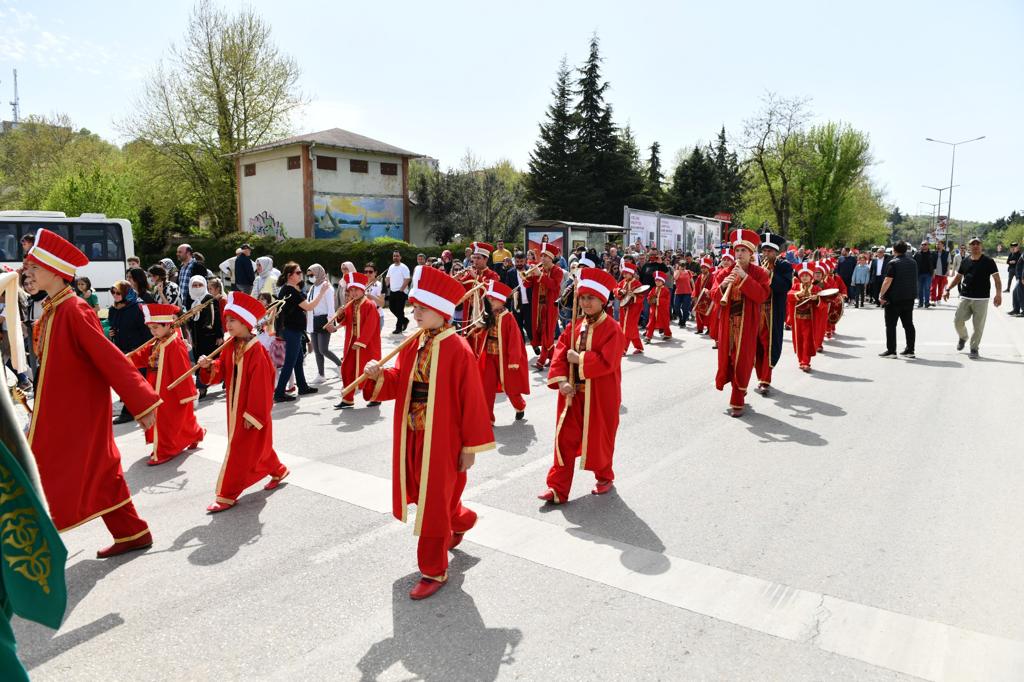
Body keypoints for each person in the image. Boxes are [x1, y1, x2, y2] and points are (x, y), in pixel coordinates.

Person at [23, 228, 159, 558]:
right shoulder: (56, 307)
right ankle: (132, 532)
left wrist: (142, 402)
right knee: (102, 471)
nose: (30, 274)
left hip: (76, 413)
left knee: (44, 470)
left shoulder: (74, 309)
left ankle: (33, 547)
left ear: (55, 271)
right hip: (62, 408)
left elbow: (109, 358)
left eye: (35, 268)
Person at [361, 266, 495, 600]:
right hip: (414, 432)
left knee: (433, 504)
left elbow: (473, 401)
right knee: (427, 494)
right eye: (415, 307)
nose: (415, 312)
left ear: (441, 312)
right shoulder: (413, 343)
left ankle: (433, 570)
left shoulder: (458, 349)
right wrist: (377, 375)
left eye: (422, 308)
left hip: (444, 439)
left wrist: (470, 447)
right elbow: (399, 382)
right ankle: (460, 519)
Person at [538, 267, 625, 505]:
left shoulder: (613, 329)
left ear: (602, 300)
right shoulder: (575, 325)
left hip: (599, 395)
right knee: (564, 439)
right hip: (573, 395)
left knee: (600, 439)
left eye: (591, 298)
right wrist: (563, 381)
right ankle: (557, 488)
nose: (586, 303)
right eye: (583, 298)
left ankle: (604, 477)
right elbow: (560, 352)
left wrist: (581, 359)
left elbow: (609, 362)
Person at [197, 292, 289, 513]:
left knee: (239, 451)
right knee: (260, 448)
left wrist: (253, 415)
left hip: (248, 413)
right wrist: (209, 365)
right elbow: (221, 372)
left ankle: (227, 494)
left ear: (246, 323)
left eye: (232, 320)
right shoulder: (231, 345)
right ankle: (278, 469)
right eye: (226, 319)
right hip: (233, 409)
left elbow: (263, 388)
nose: (226, 324)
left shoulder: (257, 352)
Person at [127, 304, 206, 465]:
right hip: (154, 384)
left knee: (167, 421)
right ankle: (195, 433)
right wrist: (129, 358)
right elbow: (145, 356)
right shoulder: (158, 341)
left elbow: (182, 370)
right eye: (151, 328)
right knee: (175, 420)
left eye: (156, 327)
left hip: (169, 389)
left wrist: (187, 394)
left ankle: (165, 450)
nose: (153, 332)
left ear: (167, 324)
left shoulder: (175, 344)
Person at [713, 230, 770, 417]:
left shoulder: (760, 273)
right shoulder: (723, 272)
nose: (739, 254)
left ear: (751, 253)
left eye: (743, 250)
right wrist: (722, 286)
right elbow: (714, 295)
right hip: (728, 323)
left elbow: (762, 296)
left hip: (747, 323)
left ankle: (737, 400)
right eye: (737, 250)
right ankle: (739, 387)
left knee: (742, 360)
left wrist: (745, 278)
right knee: (728, 359)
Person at [472, 280, 529, 423]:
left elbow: (515, 340)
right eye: (489, 298)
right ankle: (488, 417)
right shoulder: (488, 315)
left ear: (501, 301)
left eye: (493, 299)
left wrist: (514, 360)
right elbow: (481, 328)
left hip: (504, 357)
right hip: (490, 355)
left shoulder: (508, 317)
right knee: (487, 386)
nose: (490, 301)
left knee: (511, 387)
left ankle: (519, 406)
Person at [330, 271, 381, 409]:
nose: (353, 293)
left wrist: (361, 342)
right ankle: (347, 399)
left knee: (368, 370)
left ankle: (375, 396)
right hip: (351, 341)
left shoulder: (369, 305)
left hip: (366, 344)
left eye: (356, 290)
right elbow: (346, 321)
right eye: (351, 290)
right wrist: (340, 315)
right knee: (347, 368)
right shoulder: (350, 305)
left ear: (362, 289)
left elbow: (371, 325)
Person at [943, 237, 1002, 358]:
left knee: (978, 326)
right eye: (972, 244)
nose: (975, 246)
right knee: (957, 320)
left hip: (982, 298)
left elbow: (997, 279)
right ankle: (963, 337)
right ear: (969, 247)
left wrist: (998, 294)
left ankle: (974, 348)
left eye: (977, 244)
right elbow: (958, 277)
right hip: (965, 296)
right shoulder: (965, 261)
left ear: (981, 246)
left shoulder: (988, 261)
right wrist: (948, 289)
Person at [273, 262, 324, 402]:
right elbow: (309, 307)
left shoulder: (290, 289)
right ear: (290, 276)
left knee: (298, 359)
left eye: (301, 272)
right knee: (290, 361)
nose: (301, 274)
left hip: (293, 329)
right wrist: (322, 293)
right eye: (298, 272)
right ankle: (279, 393)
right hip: (292, 330)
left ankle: (302, 386)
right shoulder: (290, 291)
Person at [108, 280, 152, 424]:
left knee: (136, 382)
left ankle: (129, 411)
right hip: (122, 350)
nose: (115, 295)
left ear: (126, 292)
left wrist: (145, 350)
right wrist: (112, 332)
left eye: (118, 292)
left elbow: (147, 330)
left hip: (138, 350)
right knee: (128, 383)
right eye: (113, 292)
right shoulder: (113, 309)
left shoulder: (139, 307)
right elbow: (113, 325)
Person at [754, 231, 793, 395]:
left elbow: (786, 286)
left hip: (773, 313)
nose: (766, 253)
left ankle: (765, 380)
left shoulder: (784, 266)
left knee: (770, 346)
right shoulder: (757, 266)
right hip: (757, 311)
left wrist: (770, 275)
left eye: (769, 251)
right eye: (764, 250)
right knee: (756, 347)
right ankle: (760, 377)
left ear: (776, 252)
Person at [524, 243, 563, 368]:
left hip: (550, 306)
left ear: (551, 258)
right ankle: (553, 357)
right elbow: (527, 286)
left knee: (548, 333)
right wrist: (528, 277)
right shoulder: (538, 270)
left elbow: (554, 285)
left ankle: (541, 360)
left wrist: (540, 275)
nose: (543, 259)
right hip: (538, 307)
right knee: (541, 332)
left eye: (545, 256)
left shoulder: (558, 271)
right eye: (542, 256)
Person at [878, 241, 918, 359]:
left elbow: (887, 280)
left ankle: (891, 351)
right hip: (909, 297)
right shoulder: (913, 262)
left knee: (891, 325)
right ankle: (910, 350)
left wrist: (881, 295)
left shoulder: (893, 263)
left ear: (894, 250)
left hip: (894, 298)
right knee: (908, 324)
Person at [185, 275, 221, 400]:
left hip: (209, 337)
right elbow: (191, 322)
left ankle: (202, 387)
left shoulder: (209, 299)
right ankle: (203, 384)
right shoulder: (193, 301)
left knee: (208, 361)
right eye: (194, 285)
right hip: (197, 339)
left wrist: (219, 335)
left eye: (200, 285)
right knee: (200, 361)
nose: (197, 288)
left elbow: (217, 319)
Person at [305, 263, 339, 384]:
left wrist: (331, 321)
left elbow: (331, 306)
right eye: (308, 275)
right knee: (317, 350)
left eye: (312, 274)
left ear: (318, 273)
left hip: (324, 319)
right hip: (313, 320)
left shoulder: (327, 286)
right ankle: (321, 374)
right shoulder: (313, 287)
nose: (310, 277)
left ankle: (340, 365)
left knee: (323, 349)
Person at [786, 263, 822, 372]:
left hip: (809, 320)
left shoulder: (816, 288)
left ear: (811, 276)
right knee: (799, 340)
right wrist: (798, 294)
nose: (804, 277)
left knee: (807, 340)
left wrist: (816, 298)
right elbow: (789, 295)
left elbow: (823, 303)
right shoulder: (796, 286)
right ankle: (800, 360)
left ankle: (806, 362)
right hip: (797, 319)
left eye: (807, 275)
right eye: (802, 275)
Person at [614, 262, 646, 354]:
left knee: (628, 327)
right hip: (623, 308)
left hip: (634, 309)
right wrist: (620, 291)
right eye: (623, 273)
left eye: (626, 273)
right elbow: (615, 289)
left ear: (631, 273)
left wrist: (633, 297)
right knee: (630, 328)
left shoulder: (637, 283)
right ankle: (639, 347)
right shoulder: (622, 283)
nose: (624, 275)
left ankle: (623, 348)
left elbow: (641, 297)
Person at [176, 244, 209, 309]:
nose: (177, 254)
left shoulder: (198, 266)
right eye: (177, 252)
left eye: (180, 252)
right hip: (182, 305)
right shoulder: (181, 268)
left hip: (194, 305)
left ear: (188, 253)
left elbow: (202, 288)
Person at [386, 251, 412, 334]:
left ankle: (398, 328)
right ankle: (404, 320)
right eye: (394, 256)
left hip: (401, 291)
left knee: (399, 310)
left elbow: (407, 279)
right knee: (391, 308)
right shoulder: (391, 267)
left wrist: (401, 289)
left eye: (397, 256)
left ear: (400, 257)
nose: (395, 257)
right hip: (393, 291)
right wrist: (387, 283)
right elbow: (387, 277)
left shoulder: (404, 267)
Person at [644, 271, 672, 341]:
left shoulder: (666, 290)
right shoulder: (653, 289)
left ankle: (668, 334)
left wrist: (658, 300)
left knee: (665, 322)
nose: (657, 282)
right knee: (651, 322)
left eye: (659, 281)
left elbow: (667, 300)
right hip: (653, 309)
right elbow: (649, 296)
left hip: (662, 310)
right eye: (656, 281)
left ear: (663, 282)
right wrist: (650, 300)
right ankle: (648, 336)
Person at [693, 257, 715, 335]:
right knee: (698, 313)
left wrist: (710, 294)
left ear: (708, 268)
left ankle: (709, 328)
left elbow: (714, 286)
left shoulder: (712, 276)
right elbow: (696, 287)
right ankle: (699, 329)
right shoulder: (699, 276)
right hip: (699, 297)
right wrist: (695, 296)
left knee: (708, 314)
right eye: (702, 268)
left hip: (708, 298)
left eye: (704, 268)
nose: (703, 269)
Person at [913, 242, 936, 309]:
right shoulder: (917, 254)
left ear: (928, 246)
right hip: (919, 274)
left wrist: (934, 273)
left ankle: (927, 303)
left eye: (925, 244)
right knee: (920, 289)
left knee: (927, 288)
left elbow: (934, 264)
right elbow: (914, 263)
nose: (923, 246)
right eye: (922, 244)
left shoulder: (932, 254)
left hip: (928, 274)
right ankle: (920, 303)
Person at [673, 262, 693, 328]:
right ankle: (681, 318)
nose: (682, 267)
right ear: (678, 266)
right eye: (681, 265)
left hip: (687, 292)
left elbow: (692, 281)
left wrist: (694, 290)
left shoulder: (688, 272)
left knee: (685, 308)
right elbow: (675, 278)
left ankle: (683, 321)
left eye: (684, 265)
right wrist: (679, 271)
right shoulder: (676, 272)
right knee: (676, 307)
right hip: (678, 292)